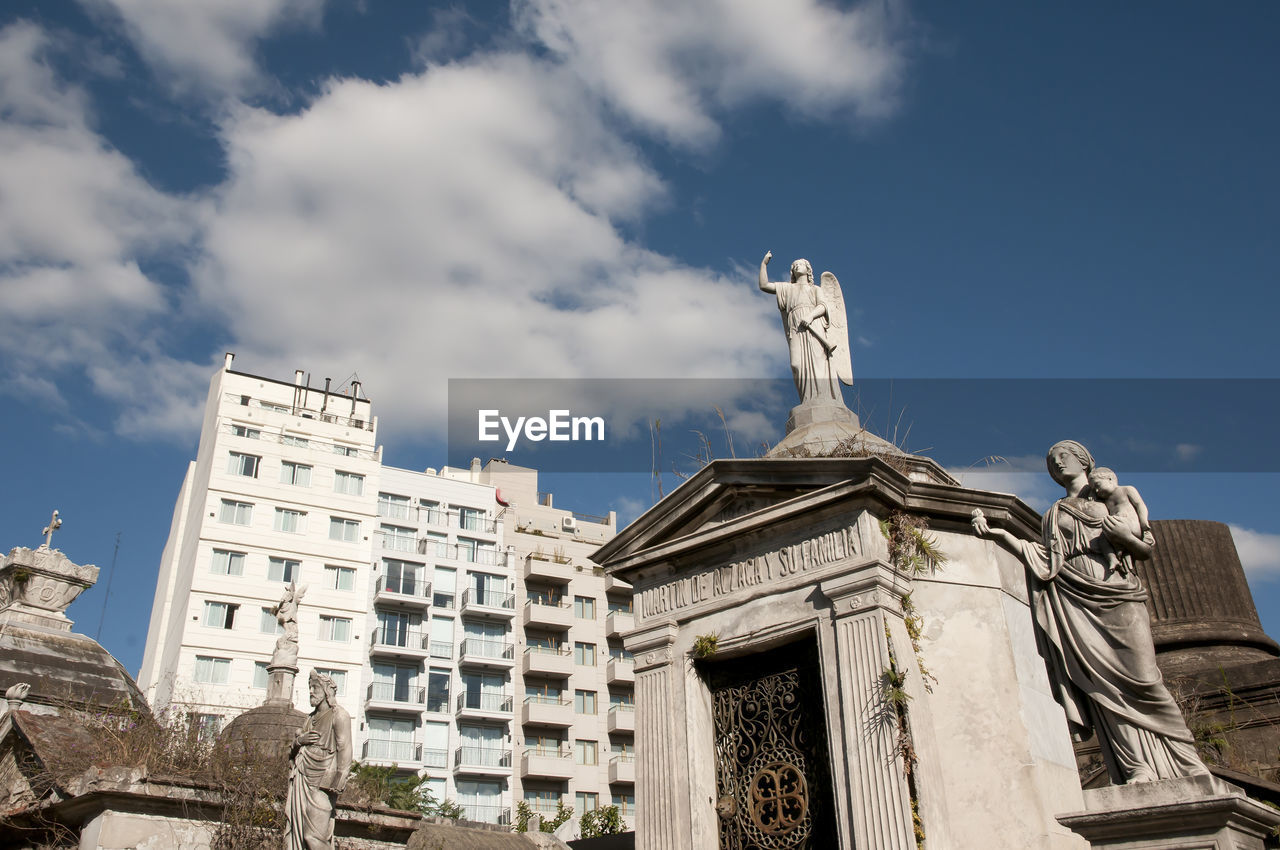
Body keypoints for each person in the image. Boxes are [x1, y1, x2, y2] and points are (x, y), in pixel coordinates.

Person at [971, 440, 1208, 785]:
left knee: (1144, 678)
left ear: (1084, 461)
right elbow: (1044, 557)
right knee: (1105, 688)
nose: (1056, 463)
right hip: (1075, 596)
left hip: (1117, 591)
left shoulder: (1111, 496)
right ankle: (1136, 768)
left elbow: (1143, 548)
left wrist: (1125, 535)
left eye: (1062, 456)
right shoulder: (1054, 513)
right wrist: (996, 533)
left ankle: (1187, 760)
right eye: (1051, 460)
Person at [758, 251, 847, 405]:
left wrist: (811, 316)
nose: (797, 266)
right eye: (794, 265)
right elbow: (764, 285)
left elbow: (823, 306)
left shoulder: (815, 289)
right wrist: (763, 264)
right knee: (797, 364)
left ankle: (823, 398)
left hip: (814, 326)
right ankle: (807, 399)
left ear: (808, 270)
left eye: (801, 264)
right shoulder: (787, 288)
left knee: (818, 363)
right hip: (796, 328)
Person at [285, 670, 352, 850]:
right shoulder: (309, 719)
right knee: (297, 835)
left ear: (326, 691)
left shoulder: (339, 715)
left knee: (313, 837)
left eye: (315, 687)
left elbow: (345, 751)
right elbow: (290, 753)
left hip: (324, 782)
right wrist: (300, 741)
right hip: (301, 778)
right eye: (310, 687)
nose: (311, 691)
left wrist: (336, 785)